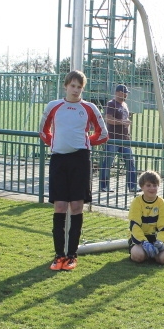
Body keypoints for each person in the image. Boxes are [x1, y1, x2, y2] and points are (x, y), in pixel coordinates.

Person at [39, 70, 108, 271]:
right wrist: (56, 143)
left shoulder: (89, 107)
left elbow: (103, 134)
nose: (76, 90)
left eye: (79, 87)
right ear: (66, 86)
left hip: (80, 159)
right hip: (59, 159)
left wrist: (85, 142)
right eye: (73, 86)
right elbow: (43, 131)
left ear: (82, 88)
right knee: (60, 206)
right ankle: (58, 255)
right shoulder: (54, 106)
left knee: (76, 206)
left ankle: (72, 256)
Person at [99, 83, 139, 193]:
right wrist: (122, 122)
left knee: (131, 161)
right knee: (108, 162)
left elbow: (125, 121)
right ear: (117, 93)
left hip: (125, 139)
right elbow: (108, 119)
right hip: (113, 139)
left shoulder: (125, 105)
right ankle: (104, 186)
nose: (126, 95)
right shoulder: (111, 104)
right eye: (123, 93)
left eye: (126, 93)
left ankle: (132, 186)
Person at [128, 170, 164, 265]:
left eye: (155, 185)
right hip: (140, 240)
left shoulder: (162, 204)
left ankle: (154, 253)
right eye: (148, 185)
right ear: (142, 187)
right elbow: (134, 226)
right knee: (138, 256)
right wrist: (143, 242)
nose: (152, 188)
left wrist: (160, 242)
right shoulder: (136, 202)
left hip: (157, 239)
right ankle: (143, 252)